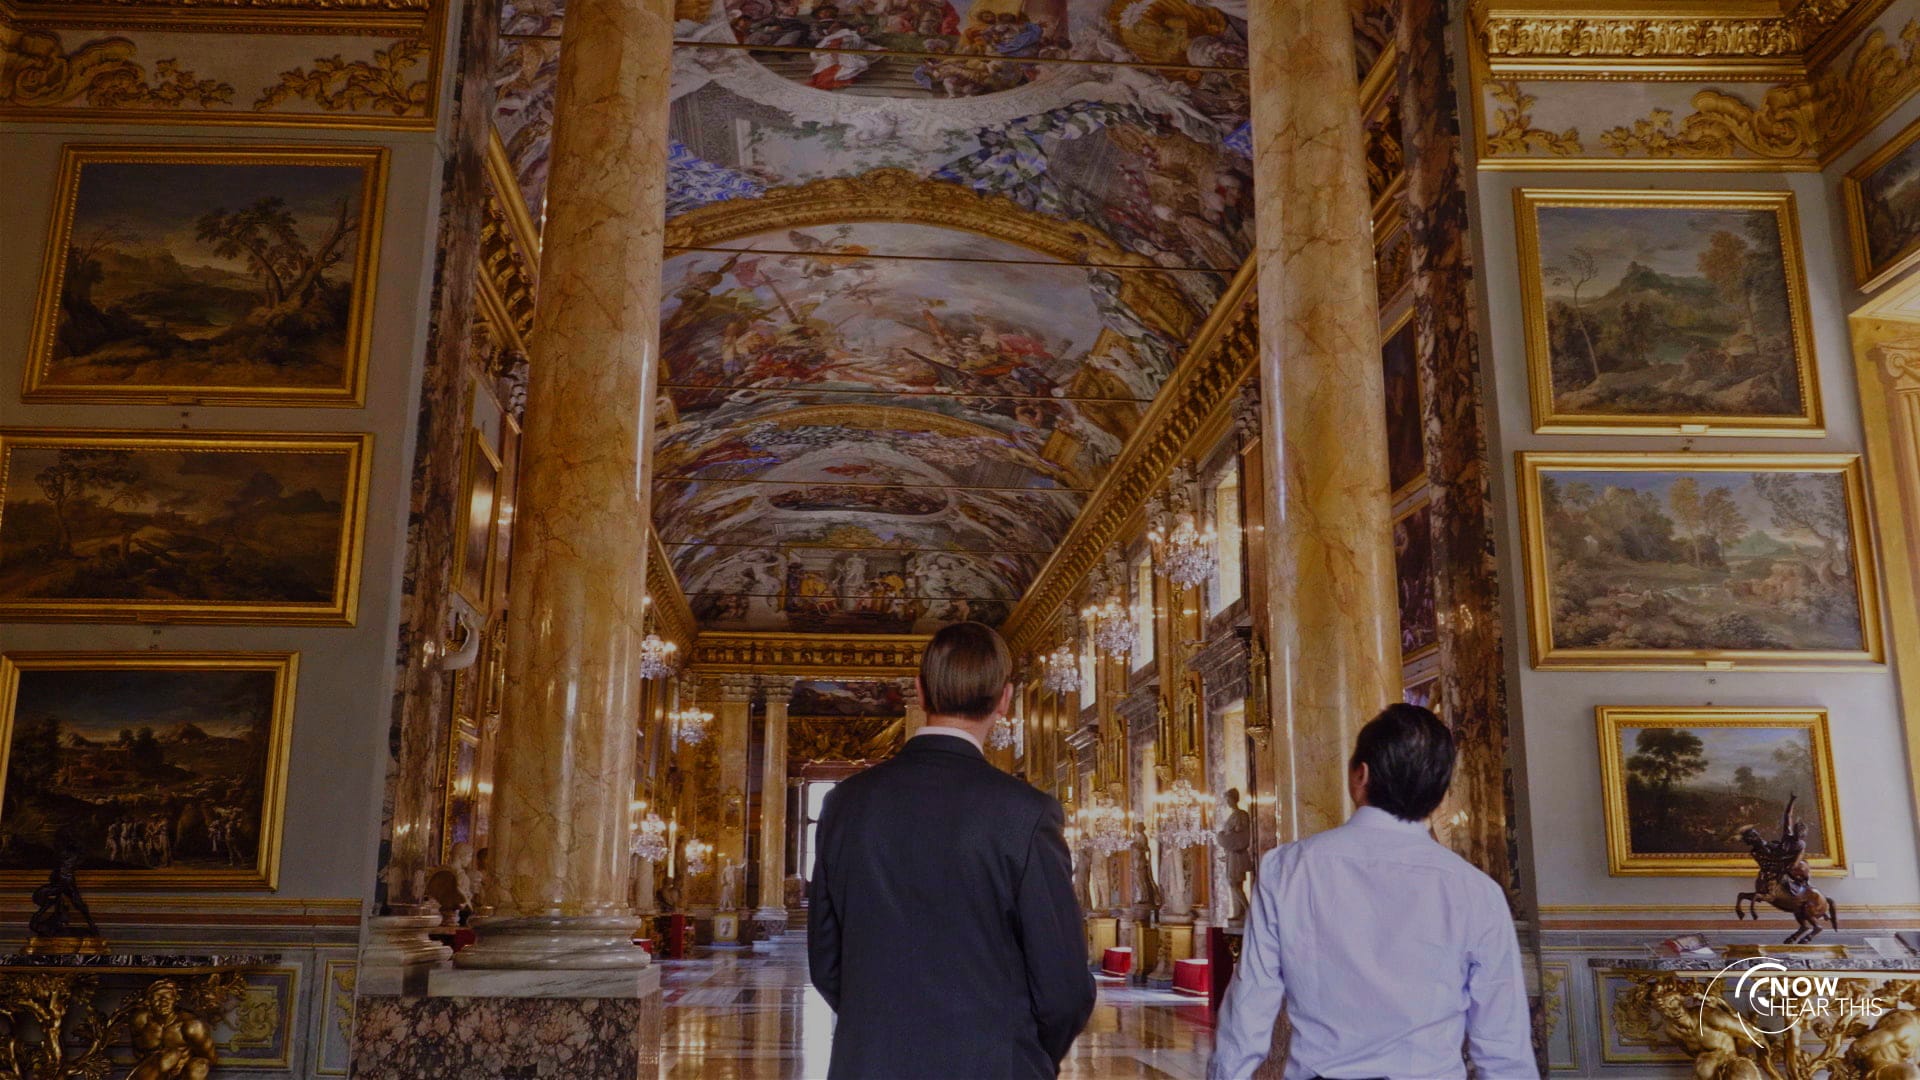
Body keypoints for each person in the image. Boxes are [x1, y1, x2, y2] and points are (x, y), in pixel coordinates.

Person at [809, 621, 1095, 1078]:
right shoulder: (1026, 813)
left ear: (920, 693)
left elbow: (826, 963)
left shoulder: (844, 803)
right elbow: (1064, 989)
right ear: (1005, 699)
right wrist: (1017, 1053)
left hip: (869, 1063)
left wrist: (885, 1034)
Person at [1209, 704, 1537, 1080]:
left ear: (1360, 775)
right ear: (1441, 792)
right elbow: (1503, 1046)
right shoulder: (1477, 891)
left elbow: (1251, 1001)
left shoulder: (1287, 869)